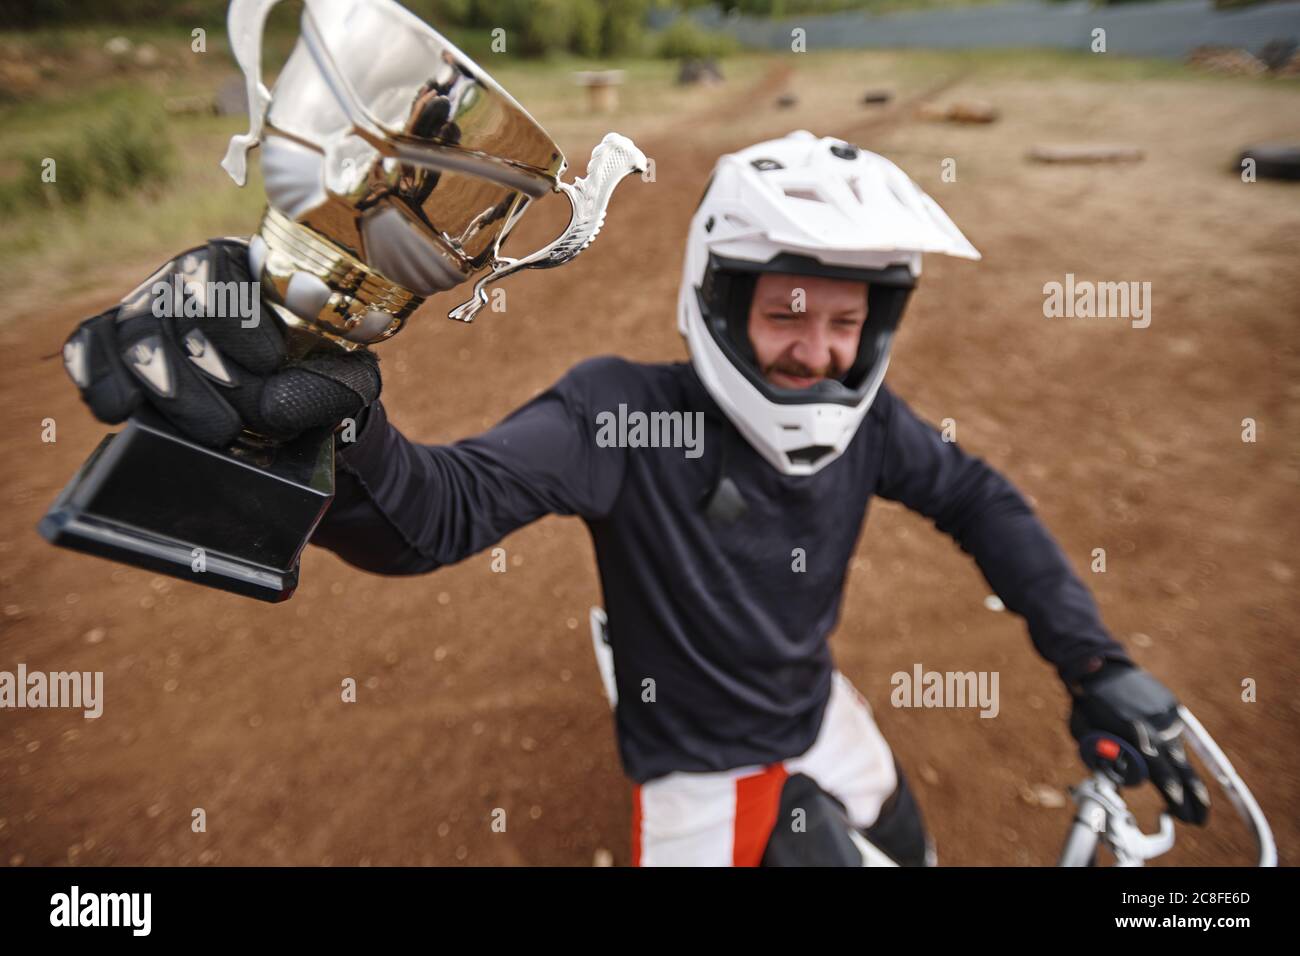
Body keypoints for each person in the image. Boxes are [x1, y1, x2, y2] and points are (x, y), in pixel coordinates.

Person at [62, 131, 1209, 866]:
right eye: (787, 311)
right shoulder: (619, 412)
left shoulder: (878, 423)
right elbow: (443, 511)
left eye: (844, 320)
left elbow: (982, 499)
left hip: (818, 714)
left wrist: (1095, 660)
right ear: (721, 299)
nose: (816, 348)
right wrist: (339, 424)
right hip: (693, 770)